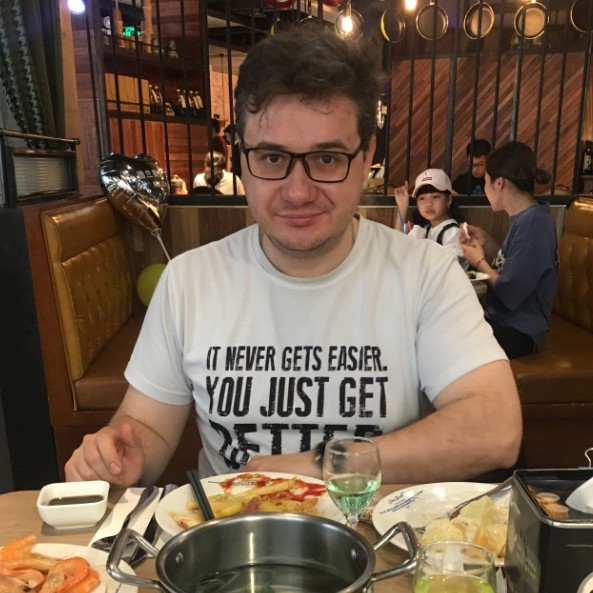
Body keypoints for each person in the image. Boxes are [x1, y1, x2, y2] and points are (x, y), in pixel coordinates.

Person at [65, 27, 521, 487]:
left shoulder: (426, 273)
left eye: (327, 159)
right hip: (230, 527)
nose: (298, 192)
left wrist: (324, 465)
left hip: (372, 528)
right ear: (240, 157)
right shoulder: (188, 280)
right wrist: (117, 456)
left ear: (366, 156)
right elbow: (146, 426)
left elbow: (495, 428)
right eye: (271, 158)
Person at [459, 141, 559, 359]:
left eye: (485, 181)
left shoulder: (533, 224)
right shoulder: (526, 218)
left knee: (445, 338)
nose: (484, 188)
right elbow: (515, 265)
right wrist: (487, 242)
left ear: (499, 183)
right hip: (505, 322)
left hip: (519, 332)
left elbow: (510, 292)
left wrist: (479, 261)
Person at [394, 169, 468, 268]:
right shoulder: (427, 229)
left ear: (448, 200)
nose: (428, 203)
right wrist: (402, 206)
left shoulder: (453, 233)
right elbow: (397, 248)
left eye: (435, 197)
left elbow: (450, 267)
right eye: (422, 198)